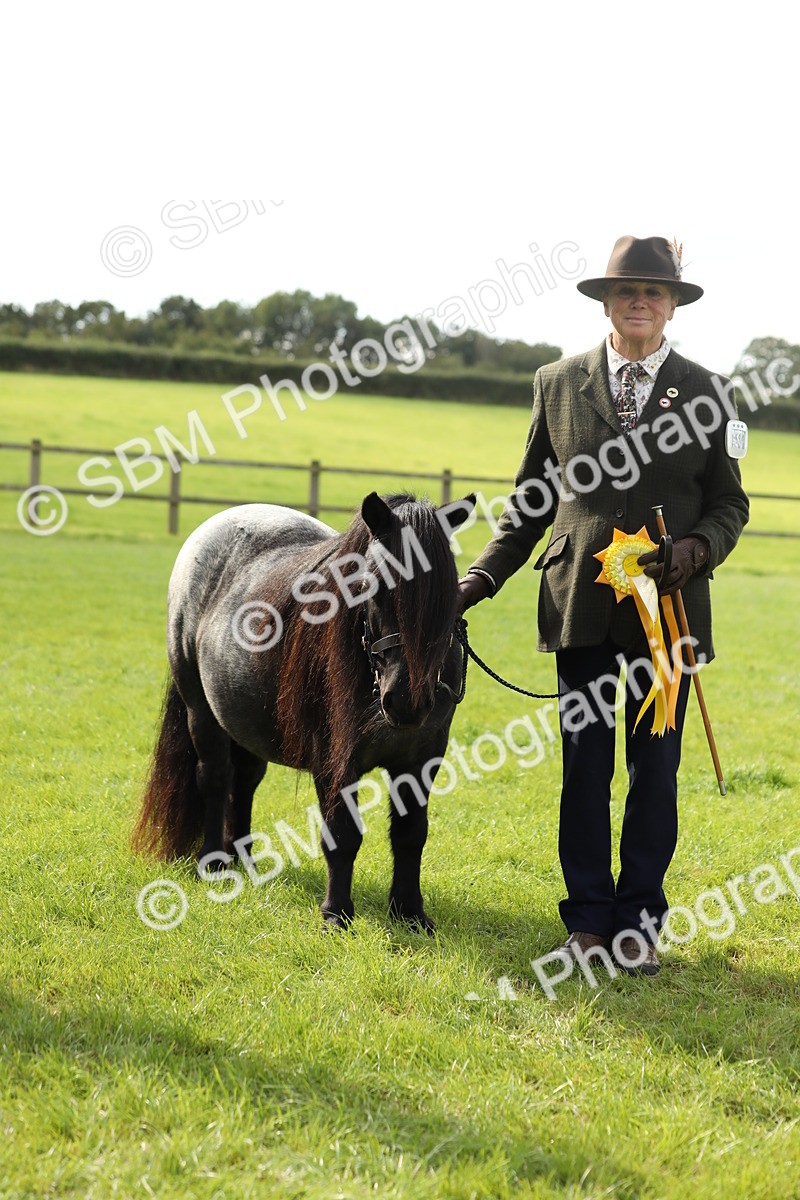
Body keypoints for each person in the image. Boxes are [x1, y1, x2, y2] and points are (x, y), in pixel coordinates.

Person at [458, 235, 749, 975]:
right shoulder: (557, 382)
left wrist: (696, 550)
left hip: (669, 614)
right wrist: (479, 579)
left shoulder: (710, 392)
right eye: (627, 291)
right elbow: (530, 504)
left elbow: (729, 504)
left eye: (654, 292)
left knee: (655, 771)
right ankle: (588, 923)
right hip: (579, 608)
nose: (640, 302)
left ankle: (638, 928)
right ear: (607, 302)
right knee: (584, 770)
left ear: (673, 305)